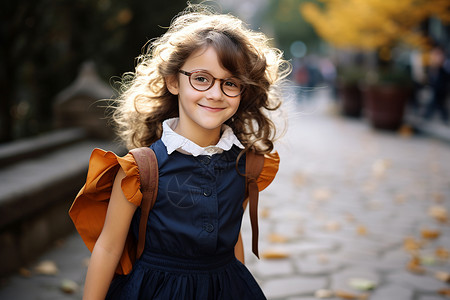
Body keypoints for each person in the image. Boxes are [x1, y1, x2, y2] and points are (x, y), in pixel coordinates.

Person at [69, 3, 290, 300]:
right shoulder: (140, 169)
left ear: (243, 91)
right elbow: (108, 247)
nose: (215, 93)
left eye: (230, 83)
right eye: (201, 78)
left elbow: (231, 238)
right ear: (174, 81)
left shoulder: (245, 165)